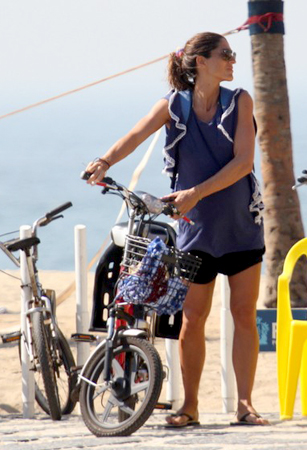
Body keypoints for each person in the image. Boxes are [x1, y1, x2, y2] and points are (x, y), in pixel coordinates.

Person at [84, 32, 269, 426]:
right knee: (193, 319)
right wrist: (104, 161)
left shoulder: (240, 101)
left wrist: (195, 193)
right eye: (226, 54)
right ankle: (190, 406)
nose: (233, 60)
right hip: (195, 230)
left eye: (231, 54)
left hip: (240, 226)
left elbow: (244, 164)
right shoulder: (173, 105)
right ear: (200, 61)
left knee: (243, 316)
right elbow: (134, 135)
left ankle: (246, 404)